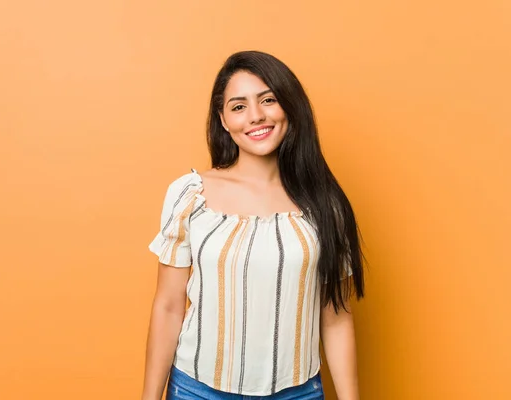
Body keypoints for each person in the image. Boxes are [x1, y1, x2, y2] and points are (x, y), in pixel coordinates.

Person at [142, 50, 364, 400]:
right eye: (239, 106)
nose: (256, 116)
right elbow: (168, 307)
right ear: (224, 120)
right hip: (197, 391)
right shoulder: (190, 195)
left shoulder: (325, 205)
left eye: (268, 100)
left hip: (298, 393)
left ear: (289, 107)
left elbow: (336, 318)